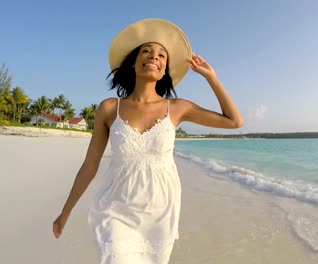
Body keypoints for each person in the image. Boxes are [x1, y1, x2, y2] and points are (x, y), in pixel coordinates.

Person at [52, 18, 243, 263]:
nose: (154, 56)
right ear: (134, 62)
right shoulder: (110, 108)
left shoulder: (177, 108)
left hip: (160, 213)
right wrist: (65, 213)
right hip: (116, 208)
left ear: (165, 70)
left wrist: (211, 77)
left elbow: (234, 121)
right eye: (146, 51)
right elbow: (90, 165)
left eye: (162, 55)